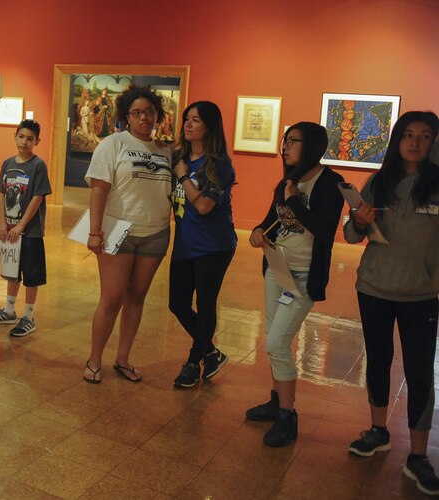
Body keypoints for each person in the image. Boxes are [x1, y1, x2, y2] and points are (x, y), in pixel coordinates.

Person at [343, 111, 439, 495]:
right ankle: (378, 430)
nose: (415, 143)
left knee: (419, 373)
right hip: (374, 286)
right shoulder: (379, 181)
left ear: (435, 142)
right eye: (408, 135)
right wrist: (361, 220)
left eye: (425, 136)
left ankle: (418, 456)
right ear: (397, 140)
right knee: (378, 360)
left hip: (421, 294)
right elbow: (351, 235)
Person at [245, 122, 344, 447]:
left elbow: (325, 230)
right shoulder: (287, 181)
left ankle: (288, 416)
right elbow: (274, 220)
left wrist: (296, 202)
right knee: (275, 340)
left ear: (312, 145)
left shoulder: (331, 183)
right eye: (284, 141)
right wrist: (259, 230)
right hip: (278, 270)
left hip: (303, 277)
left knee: (276, 343)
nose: (284, 146)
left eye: (293, 141)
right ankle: (277, 401)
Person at [82, 86, 172, 384]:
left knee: (136, 297)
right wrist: (95, 231)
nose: (144, 117)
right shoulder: (113, 144)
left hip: (155, 233)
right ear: (126, 116)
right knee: (111, 298)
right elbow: (99, 189)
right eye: (137, 113)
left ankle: (123, 359)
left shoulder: (165, 150)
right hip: (118, 230)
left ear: (157, 114)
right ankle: (94, 359)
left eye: (150, 112)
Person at [169, 101, 237, 388]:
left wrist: (183, 175)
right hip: (185, 242)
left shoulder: (219, 165)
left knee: (205, 303)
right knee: (177, 304)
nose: (188, 124)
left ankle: (192, 362)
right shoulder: (179, 156)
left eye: (195, 120)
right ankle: (211, 351)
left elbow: (205, 205)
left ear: (209, 126)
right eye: (187, 118)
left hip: (213, 246)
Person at [0, 120, 52, 337]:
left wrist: (21, 225)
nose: (25, 141)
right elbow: (1, 193)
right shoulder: (7, 163)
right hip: (9, 230)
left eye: (30, 138)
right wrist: (2, 222)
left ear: (37, 141)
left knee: (31, 274)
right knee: (12, 272)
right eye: (21, 136)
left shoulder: (38, 165)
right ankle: (10, 310)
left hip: (29, 233)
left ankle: (28, 316)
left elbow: (37, 197)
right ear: (15, 136)